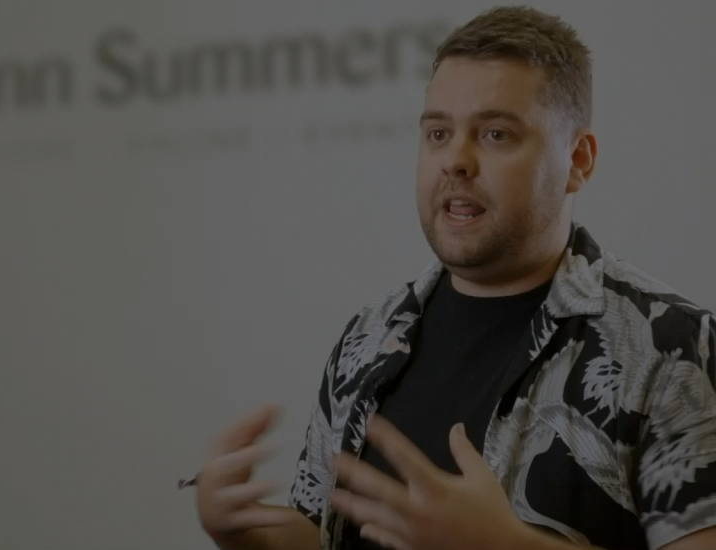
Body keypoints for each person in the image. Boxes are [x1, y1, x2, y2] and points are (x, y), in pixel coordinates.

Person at [192, 5, 716, 550]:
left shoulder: (675, 347)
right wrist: (249, 533)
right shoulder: (369, 337)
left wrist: (506, 546)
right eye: (438, 133)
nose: (456, 161)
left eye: (495, 134)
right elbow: (327, 535)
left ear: (578, 159)